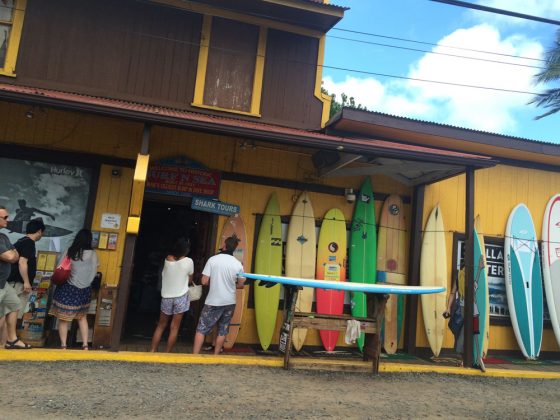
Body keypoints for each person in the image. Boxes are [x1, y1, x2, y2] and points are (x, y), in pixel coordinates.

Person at [193, 235, 245, 355]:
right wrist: (230, 284)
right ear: (234, 249)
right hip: (229, 302)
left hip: (213, 301)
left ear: (224, 246)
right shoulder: (238, 264)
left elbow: (204, 281)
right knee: (223, 329)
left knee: (201, 329)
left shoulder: (213, 260)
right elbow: (241, 284)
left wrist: (216, 281)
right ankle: (216, 356)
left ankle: (194, 356)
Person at [48, 229, 98, 350]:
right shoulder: (93, 254)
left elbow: (59, 267)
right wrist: (86, 282)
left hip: (68, 288)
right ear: (89, 240)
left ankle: (63, 345)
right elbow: (94, 271)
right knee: (82, 317)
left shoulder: (70, 251)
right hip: (84, 290)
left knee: (63, 318)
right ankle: (85, 345)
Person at [150, 238, 194, 353]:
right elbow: (190, 280)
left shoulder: (167, 259)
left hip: (167, 297)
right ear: (186, 250)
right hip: (180, 296)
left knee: (160, 325)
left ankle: (152, 350)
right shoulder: (189, 261)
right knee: (174, 327)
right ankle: (167, 353)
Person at [0, 206, 31, 349]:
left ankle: (11, 340)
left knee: (14, 304)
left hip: (3, 284)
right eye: (5, 217)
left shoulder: (4, 237)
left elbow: (15, 254)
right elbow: (11, 256)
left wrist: (13, 254)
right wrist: (12, 253)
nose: (8, 220)